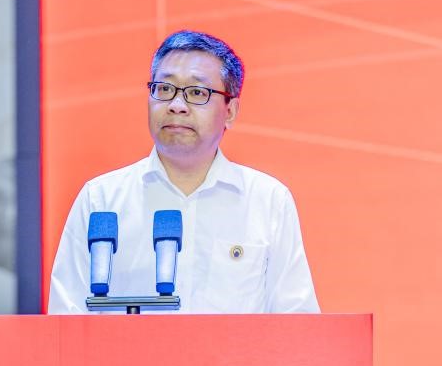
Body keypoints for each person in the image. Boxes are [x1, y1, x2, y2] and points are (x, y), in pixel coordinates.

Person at [47, 30, 319, 314]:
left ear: (230, 111)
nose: (176, 106)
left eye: (197, 93)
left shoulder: (267, 201)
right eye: (164, 89)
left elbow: (296, 322)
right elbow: (65, 320)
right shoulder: (101, 200)